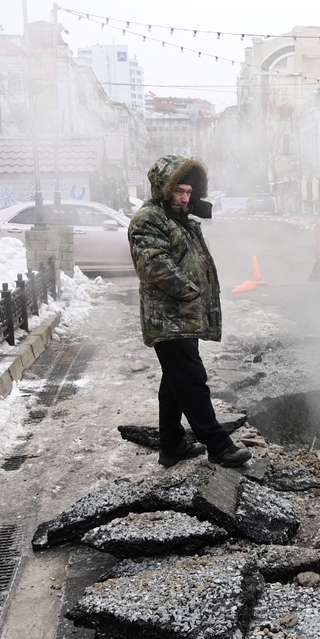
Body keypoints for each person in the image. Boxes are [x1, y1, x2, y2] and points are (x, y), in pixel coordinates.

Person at [129, 154, 251, 468]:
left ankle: (171, 445)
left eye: (188, 192)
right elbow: (153, 265)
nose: (185, 198)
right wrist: (191, 291)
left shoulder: (177, 217)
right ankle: (218, 444)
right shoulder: (149, 219)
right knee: (192, 379)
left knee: (175, 383)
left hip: (182, 315)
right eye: (179, 191)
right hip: (168, 316)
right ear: (164, 188)